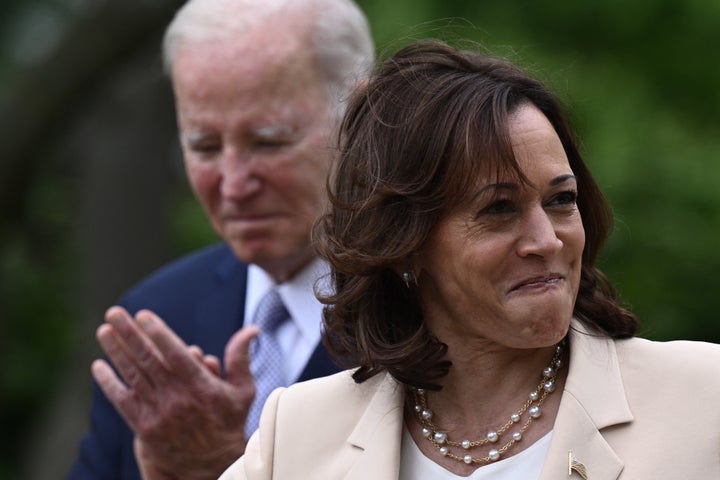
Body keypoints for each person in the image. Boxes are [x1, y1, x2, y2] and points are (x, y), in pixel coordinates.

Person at [219, 39, 720, 479]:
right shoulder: (299, 433)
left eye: (560, 200)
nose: (546, 240)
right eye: (498, 209)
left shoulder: (703, 399)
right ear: (403, 243)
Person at [67, 0, 374, 479]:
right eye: (204, 146)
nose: (233, 185)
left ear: (359, 117)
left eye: (268, 141)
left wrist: (221, 469)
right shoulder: (156, 320)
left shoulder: (439, 313)